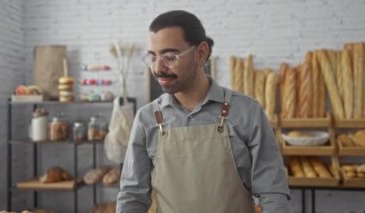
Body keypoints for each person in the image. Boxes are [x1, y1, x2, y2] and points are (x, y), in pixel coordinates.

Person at [116, 10, 293, 213]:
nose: (158, 68)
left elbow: (273, 194)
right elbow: (132, 197)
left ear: (201, 53)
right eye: (152, 57)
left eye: (170, 57)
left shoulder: (247, 112)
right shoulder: (146, 119)